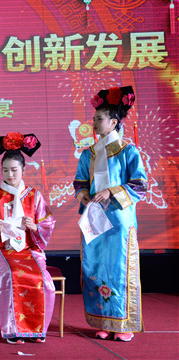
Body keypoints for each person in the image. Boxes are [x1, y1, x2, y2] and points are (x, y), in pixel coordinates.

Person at [74, 86, 147, 342]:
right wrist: (84, 195)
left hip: (119, 221)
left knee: (119, 269)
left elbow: (139, 185)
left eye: (99, 119)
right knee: (95, 267)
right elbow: (80, 183)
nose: (94, 123)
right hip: (94, 219)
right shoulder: (88, 154)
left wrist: (111, 192)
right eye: (94, 118)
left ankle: (124, 323)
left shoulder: (128, 151)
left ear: (113, 122)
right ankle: (103, 320)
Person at [0, 132, 56, 344]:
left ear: (23, 170)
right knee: (10, 275)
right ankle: (12, 329)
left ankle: (37, 330)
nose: (10, 174)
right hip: (1, 251)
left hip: (29, 250)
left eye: (14, 170)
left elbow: (47, 224)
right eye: (5, 170)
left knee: (43, 279)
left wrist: (35, 227)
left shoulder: (35, 196)